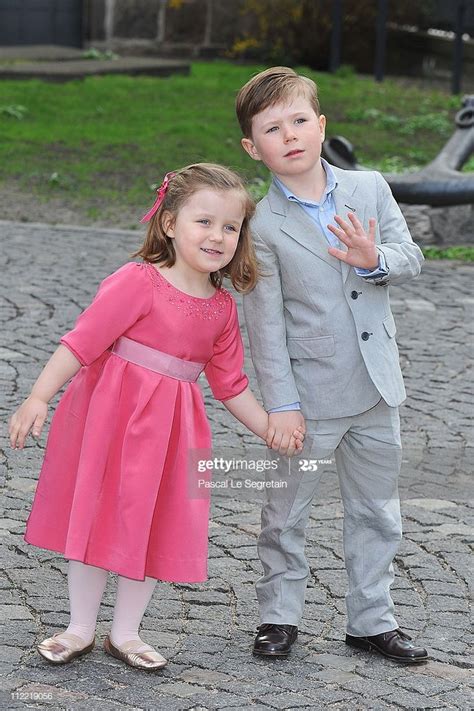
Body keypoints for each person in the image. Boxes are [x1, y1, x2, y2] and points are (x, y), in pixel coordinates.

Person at [9, 162, 304, 671]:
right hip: (110, 421)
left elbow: (230, 384)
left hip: (172, 432)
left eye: (230, 227)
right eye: (204, 222)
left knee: (151, 520)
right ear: (170, 223)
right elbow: (81, 343)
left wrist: (270, 426)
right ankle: (80, 626)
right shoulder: (138, 282)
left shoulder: (222, 309)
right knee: (99, 512)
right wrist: (38, 397)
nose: (217, 236)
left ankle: (125, 632)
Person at [235, 67, 429, 664]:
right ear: (253, 146)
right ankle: (278, 618)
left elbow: (411, 256)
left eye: (299, 121)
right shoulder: (261, 225)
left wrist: (375, 260)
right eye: (273, 128)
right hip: (310, 396)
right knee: (284, 513)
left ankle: (372, 620)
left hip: (376, 388)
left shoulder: (369, 188)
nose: (289, 135)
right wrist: (282, 405)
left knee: (378, 512)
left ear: (321, 126)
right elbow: (265, 324)